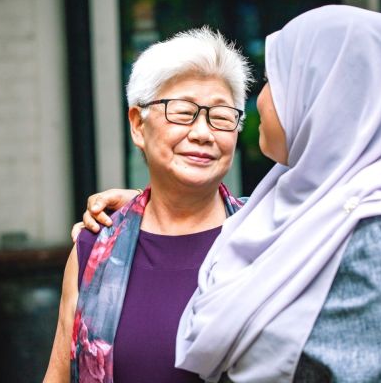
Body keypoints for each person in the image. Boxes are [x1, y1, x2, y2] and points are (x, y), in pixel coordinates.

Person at [74, 5, 381, 382]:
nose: (260, 99)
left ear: (323, 99)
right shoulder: (286, 217)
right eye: (183, 112)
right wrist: (143, 209)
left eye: (277, 81)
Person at [43, 27, 252, 382]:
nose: (203, 133)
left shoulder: (265, 235)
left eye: (220, 116)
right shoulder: (95, 249)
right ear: (139, 124)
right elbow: (60, 375)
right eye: (183, 112)